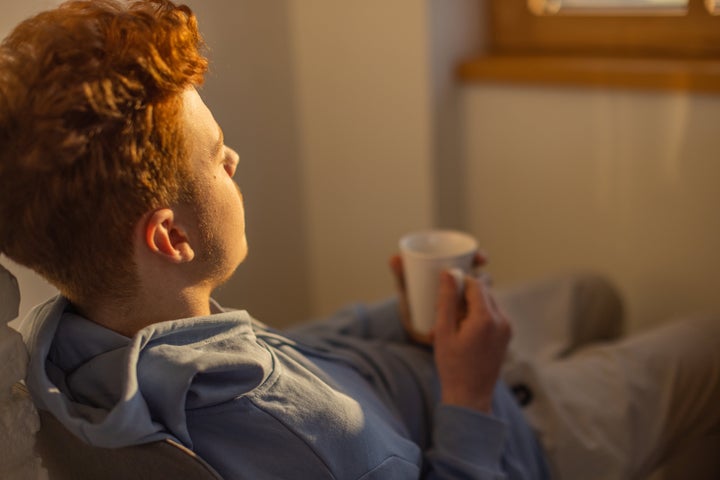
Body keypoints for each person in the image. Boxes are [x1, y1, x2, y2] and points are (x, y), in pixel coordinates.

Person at [0, 1, 717, 479]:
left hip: (406, 371)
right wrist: (471, 389)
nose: (234, 160)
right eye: (216, 155)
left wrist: (391, 320)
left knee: (593, 293)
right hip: (500, 429)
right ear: (172, 238)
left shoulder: (77, 351)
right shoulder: (298, 434)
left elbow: (294, 350)